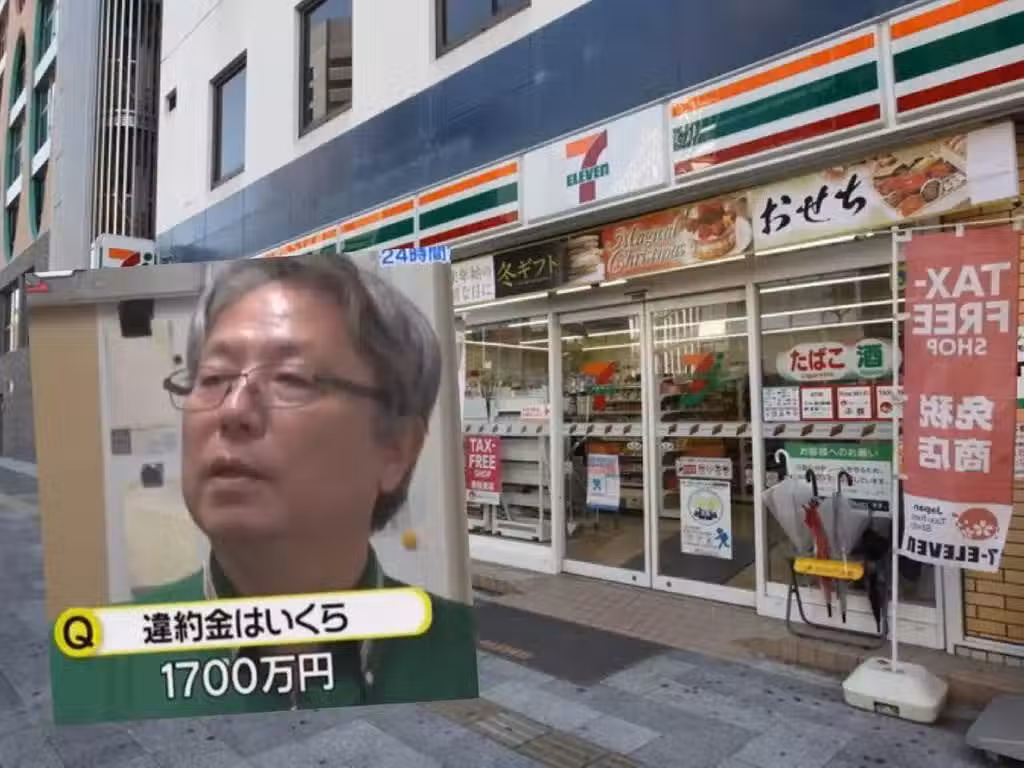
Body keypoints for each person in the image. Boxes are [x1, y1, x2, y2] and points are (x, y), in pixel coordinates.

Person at [50, 253, 478, 723]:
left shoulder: (460, 654)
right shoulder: (93, 672)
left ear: (395, 448)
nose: (233, 410)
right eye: (213, 378)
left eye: (291, 379)